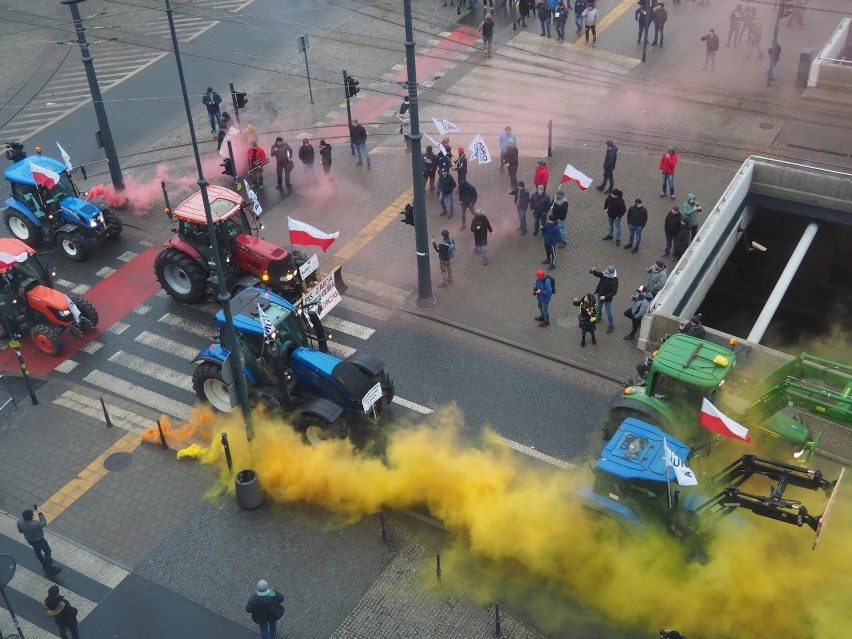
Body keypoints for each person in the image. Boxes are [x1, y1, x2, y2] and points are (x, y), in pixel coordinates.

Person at [18, 508, 61, 575]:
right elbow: (44, 523)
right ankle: (49, 568)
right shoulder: (35, 524)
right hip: (40, 540)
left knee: (37, 551)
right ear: (32, 517)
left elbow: (20, 531)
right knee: (48, 551)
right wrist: (40, 513)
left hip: (30, 540)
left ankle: (44, 563)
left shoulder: (19, 522)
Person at [591, 265, 619, 333]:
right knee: (598, 308)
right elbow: (598, 274)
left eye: (607, 273)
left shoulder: (615, 281)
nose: (605, 274)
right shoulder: (605, 274)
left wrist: (605, 297)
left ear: (611, 273)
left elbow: (614, 292)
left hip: (607, 299)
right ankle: (598, 318)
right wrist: (593, 271)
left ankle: (611, 325)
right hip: (600, 295)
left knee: (608, 312)